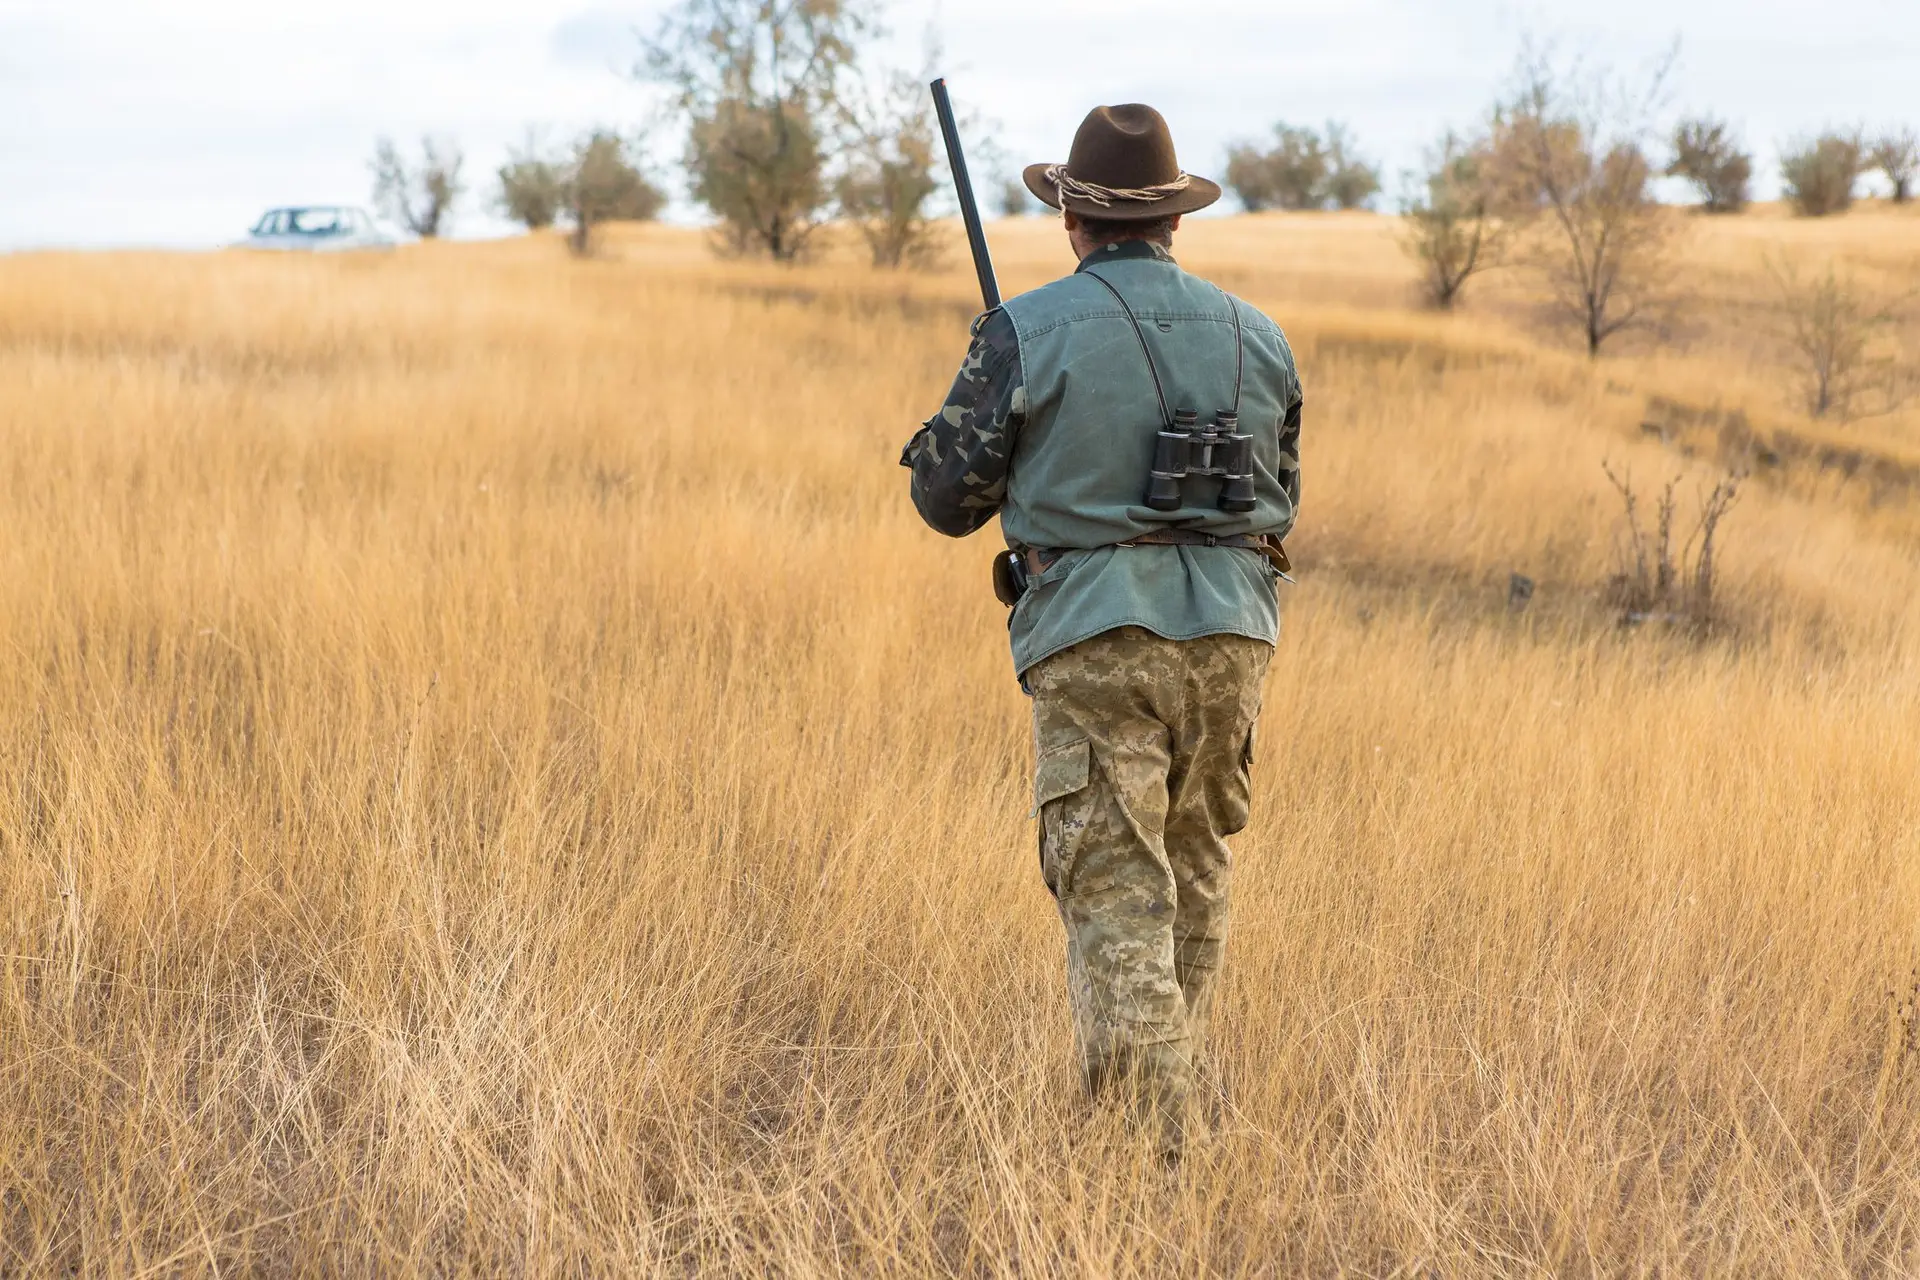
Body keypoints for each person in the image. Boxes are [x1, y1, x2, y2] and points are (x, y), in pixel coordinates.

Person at [899, 103, 1303, 1152]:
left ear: (1073, 217)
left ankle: (1152, 1165)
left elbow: (945, 499)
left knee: (1117, 887)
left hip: (1092, 634)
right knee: (1196, 869)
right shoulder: (1260, 336)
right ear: (1173, 220)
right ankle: (1175, 1104)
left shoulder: (1026, 329)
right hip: (1235, 636)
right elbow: (1282, 495)